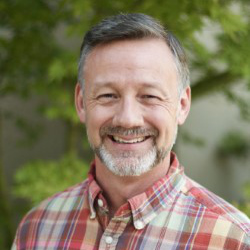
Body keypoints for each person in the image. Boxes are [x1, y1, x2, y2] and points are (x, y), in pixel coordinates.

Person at [12, 13, 250, 250]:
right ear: (81, 103)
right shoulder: (36, 229)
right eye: (108, 95)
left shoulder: (233, 240)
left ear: (182, 105)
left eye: (149, 96)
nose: (127, 119)